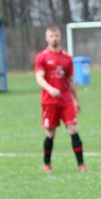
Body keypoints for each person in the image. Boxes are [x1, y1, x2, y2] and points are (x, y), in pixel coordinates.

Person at [34, 26, 87, 173]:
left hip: (65, 100)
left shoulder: (67, 58)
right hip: (49, 101)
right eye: (51, 36)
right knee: (50, 133)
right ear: (47, 38)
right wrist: (50, 89)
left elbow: (71, 80)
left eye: (56, 35)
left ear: (60, 37)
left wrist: (76, 100)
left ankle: (81, 165)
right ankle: (47, 164)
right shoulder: (41, 57)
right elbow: (39, 77)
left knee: (73, 128)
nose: (54, 38)